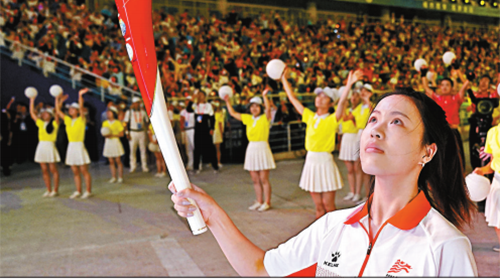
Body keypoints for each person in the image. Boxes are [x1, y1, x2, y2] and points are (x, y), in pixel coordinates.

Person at [170, 88, 477, 276]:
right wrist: (210, 214)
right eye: (373, 119)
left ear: (427, 151)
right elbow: (261, 269)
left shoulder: (444, 246)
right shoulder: (333, 226)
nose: (376, 129)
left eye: (396, 121)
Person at [281, 68, 362, 218]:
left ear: (331, 103)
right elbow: (292, 98)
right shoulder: (309, 116)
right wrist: (283, 79)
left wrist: (349, 83)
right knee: (318, 208)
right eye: (319, 96)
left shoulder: (332, 119)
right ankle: (321, 239)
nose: (320, 98)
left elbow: (343, 101)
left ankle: (333, 238)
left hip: (325, 162)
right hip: (311, 161)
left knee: (329, 207)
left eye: (325, 97)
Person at [224, 89, 276, 211]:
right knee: (255, 179)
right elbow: (232, 113)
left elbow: (268, 109)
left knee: (264, 178)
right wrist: (227, 101)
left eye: (257, 106)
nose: (254, 108)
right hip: (251, 148)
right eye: (252, 106)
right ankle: (259, 201)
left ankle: (267, 202)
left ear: (260, 108)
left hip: (262, 148)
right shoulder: (248, 118)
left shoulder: (265, 118)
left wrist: (264, 96)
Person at [421, 68, 469, 171]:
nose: (444, 87)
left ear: (452, 87)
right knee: (441, 160)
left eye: (447, 85)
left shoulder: (456, 98)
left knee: (457, 160)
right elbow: (426, 88)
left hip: (453, 132)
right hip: (440, 133)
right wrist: (424, 74)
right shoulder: (436, 98)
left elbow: (465, 85)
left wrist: (459, 73)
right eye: (442, 85)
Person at [56, 88, 93, 199]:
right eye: (70, 109)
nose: (71, 110)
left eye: (73, 109)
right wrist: (59, 100)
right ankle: (78, 191)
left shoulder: (81, 119)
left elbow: (81, 107)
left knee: (84, 170)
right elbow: (58, 111)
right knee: (75, 171)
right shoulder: (67, 120)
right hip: (71, 146)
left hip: (79, 146)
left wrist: (79, 95)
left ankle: (88, 191)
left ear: (77, 111)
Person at [474, 127, 500, 253]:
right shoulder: (493, 133)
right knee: (498, 220)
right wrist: (482, 170)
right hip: (498, 182)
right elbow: (494, 162)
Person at [29, 93, 61, 197]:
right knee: (44, 169)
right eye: (44, 113)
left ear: (50, 115)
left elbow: (57, 112)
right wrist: (32, 100)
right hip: (41, 146)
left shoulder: (54, 123)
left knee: (53, 169)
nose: (44, 114)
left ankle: (55, 190)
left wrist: (57, 99)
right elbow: (32, 113)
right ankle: (48, 189)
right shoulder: (40, 123)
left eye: (47, 113)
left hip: (50, 146)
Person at [467, 74, 499, 170]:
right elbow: (467, 85)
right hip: (475, 124)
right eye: (482, 80)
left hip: (489, 125)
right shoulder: (474, 94)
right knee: (474, 146)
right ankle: (476, 168)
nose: (484, 82)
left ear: (490, 84)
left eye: (486, 81)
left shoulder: (493, 95)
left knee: (489, 147)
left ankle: (490, 168)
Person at [339, 89, 363, 203]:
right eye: (352, 95)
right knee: (349, 169)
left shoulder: (359, 110)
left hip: (355, 138)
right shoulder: (347, 109)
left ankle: (358, 193)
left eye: (356, 96)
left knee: (357, 168)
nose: (353, 98)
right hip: (346, 139)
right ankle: (352, 191)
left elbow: (346, 118)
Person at [188, 90, 218, 173]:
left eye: (201, 95)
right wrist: (192, 98)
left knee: (210, 147)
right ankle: (196, 167)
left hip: (206, 128)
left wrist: (212, 128)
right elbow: (188, 109)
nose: (200, 96)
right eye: (199, 95)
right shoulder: (195, 105)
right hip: (197, 129)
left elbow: (212, 118)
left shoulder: (208, 105)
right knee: (197, 148)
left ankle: (215, 166)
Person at [124, 96, 149, 172]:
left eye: (137, 103)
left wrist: (147, 131)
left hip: (141, 132)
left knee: (143, 150)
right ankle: (133, 166)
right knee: (132, 150)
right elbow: (125, 123)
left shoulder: (143, 112)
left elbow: (147, 122)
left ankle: (144, 166)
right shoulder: (129, 112)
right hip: (133, 132)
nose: (136, 105)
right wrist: (127, 133)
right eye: (135, 104)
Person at [101, 106, 125, 183]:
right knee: (111, 161)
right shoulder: (104, 123)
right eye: (107, 112)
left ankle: (120, 177)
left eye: (110, 112)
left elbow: (121, 134)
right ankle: (113, 176)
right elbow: (104, 132)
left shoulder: (117, 122)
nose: (108, 114)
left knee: (118, 160)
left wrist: (112, 135)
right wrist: (106, 135)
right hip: (108, 142)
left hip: (115, 142)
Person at [180, 99, 195, 171]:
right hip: (186, 130)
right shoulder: (183, 112)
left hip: (193, 129)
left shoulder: (194, 110)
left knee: (195, 146)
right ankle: (190, 164)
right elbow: (181, 120)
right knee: (188, 148)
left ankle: (198, 164)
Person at [213, 101, 225, 168]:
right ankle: (218, 162)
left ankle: (217, 161)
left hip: (214, 131)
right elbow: (220, 124)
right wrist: (221, 133)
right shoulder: (218, 114)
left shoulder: (217, 113)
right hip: (217, 131)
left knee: (216, 148)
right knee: (217, 148)